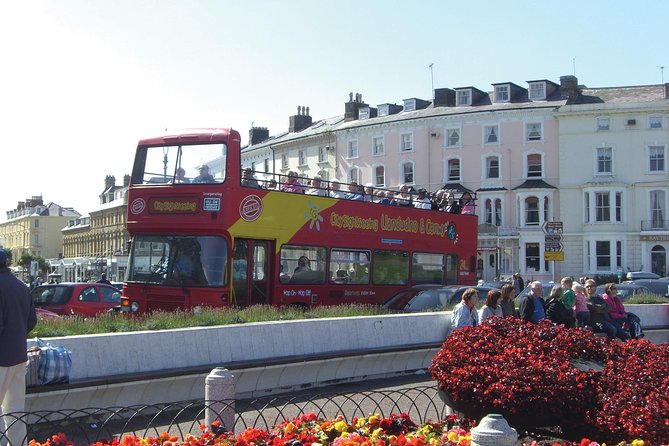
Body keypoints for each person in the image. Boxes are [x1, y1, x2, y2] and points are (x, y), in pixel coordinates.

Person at [0, 249, 37, 446]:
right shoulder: (21, 286)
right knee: (15, 411)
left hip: (1, 359)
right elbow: (31, 321)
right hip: (18, 357)